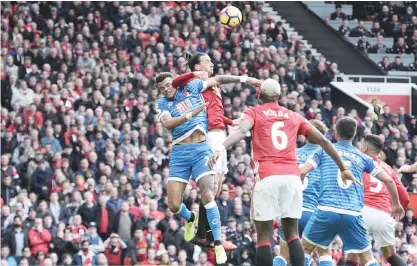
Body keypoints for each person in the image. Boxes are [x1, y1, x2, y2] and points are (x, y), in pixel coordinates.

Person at [208, 79, 353, 266]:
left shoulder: (254, 111)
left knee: (264, 237)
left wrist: (221, 147)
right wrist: (343, 168)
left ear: (259, 96)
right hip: (292, 179)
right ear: (279, 96)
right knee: (292, 234)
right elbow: (324, 142)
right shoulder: (293, 115)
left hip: (267, 176)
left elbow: (242, 130)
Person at [155, 71, 260, 264]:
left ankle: (218, 243)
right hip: (179, 153)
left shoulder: (191, 88)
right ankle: (190, 218)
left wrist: (245, 79)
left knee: (208, 194)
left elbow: (218, 79)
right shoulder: (162, 103)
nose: (166, 89)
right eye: (162, 88)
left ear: (174, 83)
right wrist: (191, 114)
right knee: (173, 205)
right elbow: (168, 123)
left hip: (201, 150)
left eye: (168, 85)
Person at [300, 117, 405, 266]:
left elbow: (302, 171)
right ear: (354, 135)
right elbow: (389, 180)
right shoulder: (362, 157)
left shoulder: (323, 151)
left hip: (326, 210)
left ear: (336, 134)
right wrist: (396, 204)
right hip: (353, 214)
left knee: (305, 250)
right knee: (368, 258)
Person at [172, 52, 239, 251]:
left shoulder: (212, 85)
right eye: (208, 61)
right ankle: (207, 236)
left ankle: (202, 233)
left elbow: (214, 112)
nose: (212, 63)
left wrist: (230, 121)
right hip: (209, 135)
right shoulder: (197, 83)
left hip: (220, 134)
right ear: (197, 67)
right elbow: (177, 83)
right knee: (210, 188)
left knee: (217, 187)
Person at [346, 134, 410, 266]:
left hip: (362, 212)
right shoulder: (388, 169)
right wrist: (397, 211)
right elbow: (404, 196)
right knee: (391, 255)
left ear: (364, 149)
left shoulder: (357, 163)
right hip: (383, 215)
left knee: (353, 258)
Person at [275, 120, 332, 266]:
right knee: (323, 252)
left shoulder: (292, 154)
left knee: (283, 254)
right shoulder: (326, 158)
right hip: (312, 211)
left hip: (289, 211)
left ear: (305, 135)